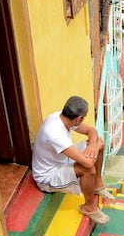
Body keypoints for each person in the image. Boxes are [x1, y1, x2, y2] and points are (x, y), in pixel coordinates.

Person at [31, 96, 112, 225]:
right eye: (84, 117)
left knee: (98, 142)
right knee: (88, 169)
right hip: (48, 176)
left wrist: (93, 145)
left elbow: (91, 131)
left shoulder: (62, 117)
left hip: (63, 161)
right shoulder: (54, 133)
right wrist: (95, 145)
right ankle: (89, 207)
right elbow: (88, 163)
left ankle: (97, 184)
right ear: (79, 118)